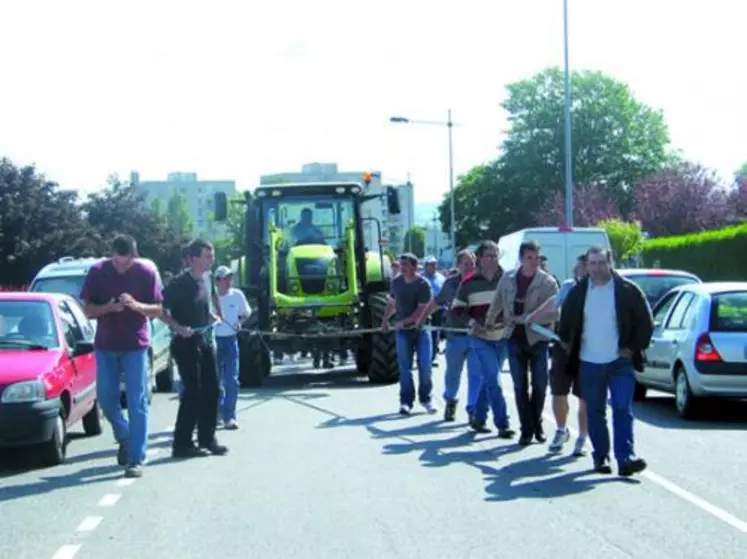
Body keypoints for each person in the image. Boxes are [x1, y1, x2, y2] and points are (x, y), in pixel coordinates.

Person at [557, 246, 653, 476]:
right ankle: (601, 457)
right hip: (589, 362)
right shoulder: (578, 292)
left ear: (610, 263)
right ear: (586, 266)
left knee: (622, 409)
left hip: (620, 362)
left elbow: (646, 324)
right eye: (593, 263)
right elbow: (565, 325)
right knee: (595, 411)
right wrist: (567, 343)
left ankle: (626, 458)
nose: (597, 267)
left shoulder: (628, 290)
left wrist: (632, 347)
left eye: (601, 262)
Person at [80, 235, 164, 478]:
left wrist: (137, 305)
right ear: (111, 255)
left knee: (137, 401)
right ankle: (125, 436)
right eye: (116, 261)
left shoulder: (146, 273)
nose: (120, 266)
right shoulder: (97, 271)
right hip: (106, 345)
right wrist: (108, 307)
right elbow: (86, 310)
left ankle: (136, 458)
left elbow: (158, 309)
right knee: (106, 400)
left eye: (125, 263)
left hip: (135, 345)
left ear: (134, 256)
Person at [485, 240, 559, 446]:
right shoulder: (507, 279)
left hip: (538, 339)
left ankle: (537, 423)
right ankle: (526, 429)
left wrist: (531, 317)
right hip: (514, 338)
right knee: (520, 386)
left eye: (537, 258)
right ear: (521, 259)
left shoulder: (548, 282)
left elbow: (554, 311)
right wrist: (489, 323)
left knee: (540, 385)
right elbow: (497, 302)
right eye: (529, 258)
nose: (534, 262)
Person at [161, 239, 228, 458]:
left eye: (212, 255)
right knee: (193, 393)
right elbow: (159, 310)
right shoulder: (179, 283)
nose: (212, 260)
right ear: (193, 259)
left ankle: (207, 439)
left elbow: (202, 308)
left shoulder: (206, 281)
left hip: (205, 341)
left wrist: (212, 317)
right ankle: (182, 444)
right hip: (185, 344)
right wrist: (178, 327)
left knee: (212, 390)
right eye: (207, 256)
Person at [455, 241, 514, 438]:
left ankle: (479, 419)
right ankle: (502, 423)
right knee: (494, 381)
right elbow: (457, 310)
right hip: (480, 338)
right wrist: (472, 323)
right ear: (479, 258)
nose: (492, 259)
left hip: (502, 337)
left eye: (495, 255)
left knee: (489, 380)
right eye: (488, 256)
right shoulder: (468, 282)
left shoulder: (508, 279)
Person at [422, 249, 477, 421]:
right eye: (466, 264)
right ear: (458, 265)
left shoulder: (481, 281)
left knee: (476, 374)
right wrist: (422, 318)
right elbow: (437, 303)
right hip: (455, 335)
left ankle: (473, 408)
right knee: (453, 374)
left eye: (472, 264)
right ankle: (451, 401)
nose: (469, 267)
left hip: (477, 336)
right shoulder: (450, 283)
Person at [381, 253, 435, 415]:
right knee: (404, 368)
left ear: (413, 266)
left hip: (421, 330)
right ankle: (406, 402)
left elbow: (421, 311)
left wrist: (403, 322)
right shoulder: (396, 282)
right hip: (403, 333)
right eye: (400, 264)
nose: (401, 268)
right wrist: (385, 321)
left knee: (425, 366)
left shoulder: (423, 284)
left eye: (405, 264)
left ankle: (426, 399)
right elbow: (392, 303)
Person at [549, 253, 588, 454]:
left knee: (585, 396)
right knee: (558, 391)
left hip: (587, 349)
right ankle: (561, 429)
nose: (583, 270)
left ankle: (582, 437)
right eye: (581, 266)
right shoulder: (567, 286)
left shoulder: (597, 289)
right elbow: (553, 309)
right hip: (563, 347)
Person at [213, 265, 251, 430]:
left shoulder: (237, 295)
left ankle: (230, 416)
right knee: (215, 381)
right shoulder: (210, 296)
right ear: (217, 281)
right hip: (213, 341)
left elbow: (246, 312)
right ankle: (217, 413)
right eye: (225, 278)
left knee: (232, 380)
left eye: (230, 278)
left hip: (230, 340)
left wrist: (240, 323)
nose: (229, 281)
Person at [422, 256, 445, 365]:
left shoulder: (441, 278)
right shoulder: (420, 278)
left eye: (434, 264)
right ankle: (423, 357)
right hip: (423, 310)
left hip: (438, 310)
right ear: (425, 265)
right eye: (431, 264)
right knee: (424, 333)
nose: (433, 266)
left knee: (435, 333)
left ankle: (433, 357)